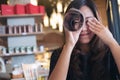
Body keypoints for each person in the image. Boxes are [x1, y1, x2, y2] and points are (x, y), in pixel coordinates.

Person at [48, 0, 120, 80]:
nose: (83, 28)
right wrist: (68, 46)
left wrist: (112, 42)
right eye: (76, 22)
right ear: (68, 24)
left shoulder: (109, 51)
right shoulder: (59, 54)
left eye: (88, 21)